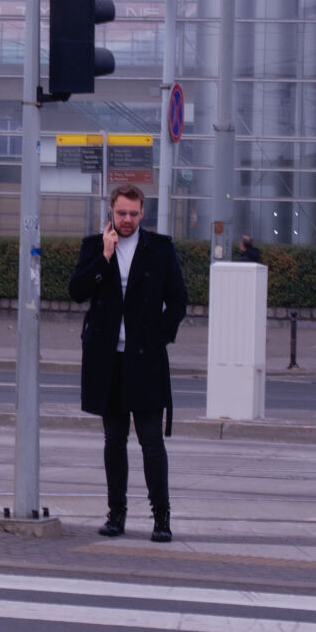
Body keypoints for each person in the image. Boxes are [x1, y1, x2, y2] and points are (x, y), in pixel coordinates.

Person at [68, 184, 188, 543]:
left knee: (151, 441)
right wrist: (104, 258)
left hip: (145, 359)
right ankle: (116, 514)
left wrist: (158, 338)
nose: (127, 220)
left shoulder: (160, 249)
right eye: (121, 213)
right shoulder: (94, 247)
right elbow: (77, 292)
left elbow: (179, 300)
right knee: (114, 439)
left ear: (142, 213)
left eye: (134, 214)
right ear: (111, 212)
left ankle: (161, 518)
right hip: (108, 361)